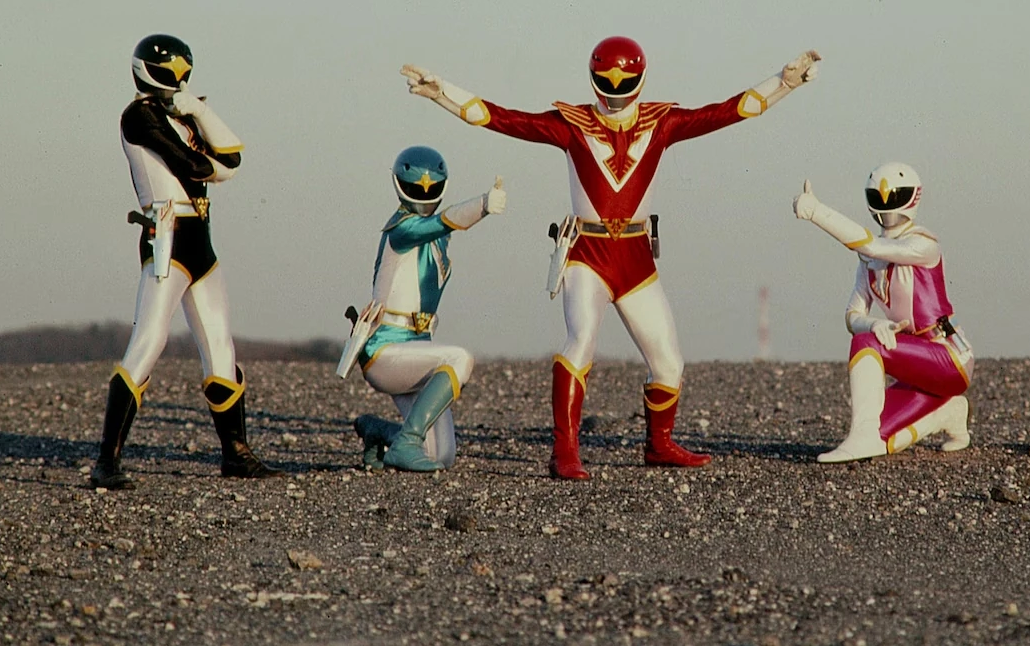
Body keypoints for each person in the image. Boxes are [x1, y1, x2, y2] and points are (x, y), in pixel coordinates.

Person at [401, 38, 821, 479]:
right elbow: (501, 118)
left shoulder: (661, 122)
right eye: (607, 82)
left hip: (635, 258)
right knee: (580, 342)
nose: (615, 92)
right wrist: (441, 93)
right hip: (588, 253)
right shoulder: (573, 124)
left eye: (622, 82)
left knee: (668, 362)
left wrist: (785, 82)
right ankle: (565, 450)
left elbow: (730, 111)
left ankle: (659, 444)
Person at [90, 34, 279, 490]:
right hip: (168, 238)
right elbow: (192, 165)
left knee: (220, 348)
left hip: (199, 241)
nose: (178, 79)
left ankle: (236, 452)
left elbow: (232, 154)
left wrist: (199, 112)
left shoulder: (179, 114)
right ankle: (106, 460)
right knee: (148, 342)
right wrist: (217, 162)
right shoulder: (139, 115)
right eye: (172, 71)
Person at [792, 164, 973, 462]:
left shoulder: (923, 245)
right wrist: (874, 323)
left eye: (895, 197)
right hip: (917, 366)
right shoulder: (869, 261)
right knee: (883, 436)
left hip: (949, 357)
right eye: (880, 198)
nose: (888, 207)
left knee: (865, 345)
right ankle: (948, 412)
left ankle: (861, 436)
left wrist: (818, 213)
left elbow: (874, 246)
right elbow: (852, 315)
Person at [345, 146, 506, 472]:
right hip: (385, 350)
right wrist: (482, 205)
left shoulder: (437, 237)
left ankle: (380, 431)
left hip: (416, 351)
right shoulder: (401, 228)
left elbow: (439, 225)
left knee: (441, 456)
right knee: (460, 358)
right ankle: (407, 441)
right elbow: (441, 222)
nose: (424, 191)